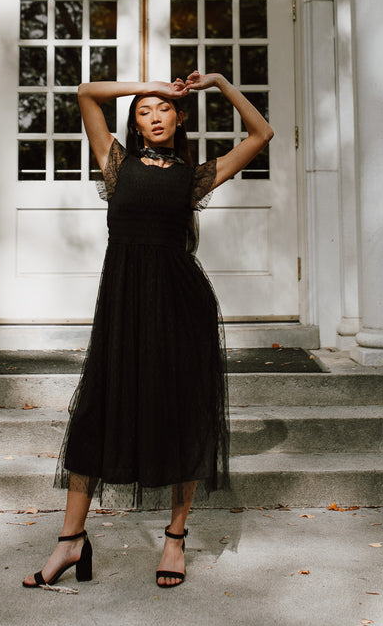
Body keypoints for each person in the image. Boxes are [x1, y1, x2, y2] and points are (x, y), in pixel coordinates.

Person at [22, 70, 274, 590]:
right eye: (144, 110)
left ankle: (175, 539)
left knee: (182, 415)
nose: (155, 116)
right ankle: (70, 540)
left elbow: (260, 135)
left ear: (179, 118)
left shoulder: (195, 177)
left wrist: (221, 83)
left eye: (163, 109)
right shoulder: (117, 165)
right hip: (122, 305)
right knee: (96, 410)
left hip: (182, 307)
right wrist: (153, 82)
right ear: (135, 125)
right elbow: (84, 93)